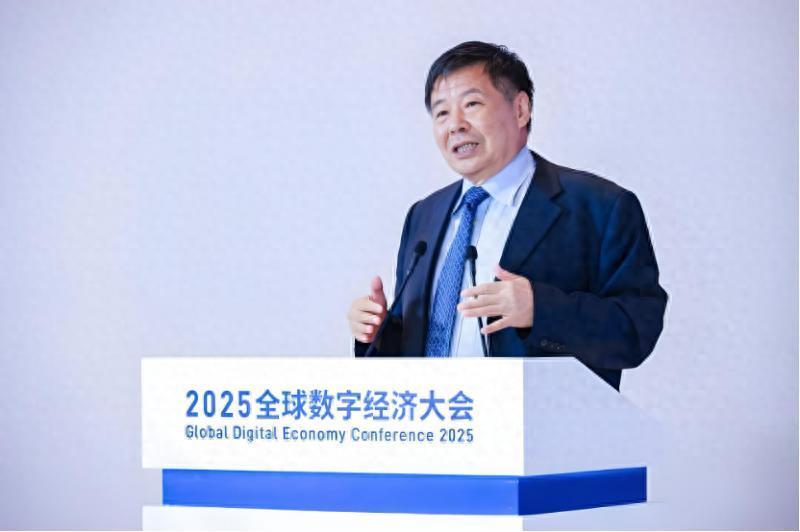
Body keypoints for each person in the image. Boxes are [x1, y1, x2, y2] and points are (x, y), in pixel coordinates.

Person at [346, 41, 667, 390]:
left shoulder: (599, 206)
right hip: (439, 417)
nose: (455, 125)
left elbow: (637, 330)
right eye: (441, 113)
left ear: (520, 110)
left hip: (542, 421)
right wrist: (377, 333)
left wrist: (540, 310)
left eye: (471, 104)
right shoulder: (424, 215)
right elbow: (419, 345)